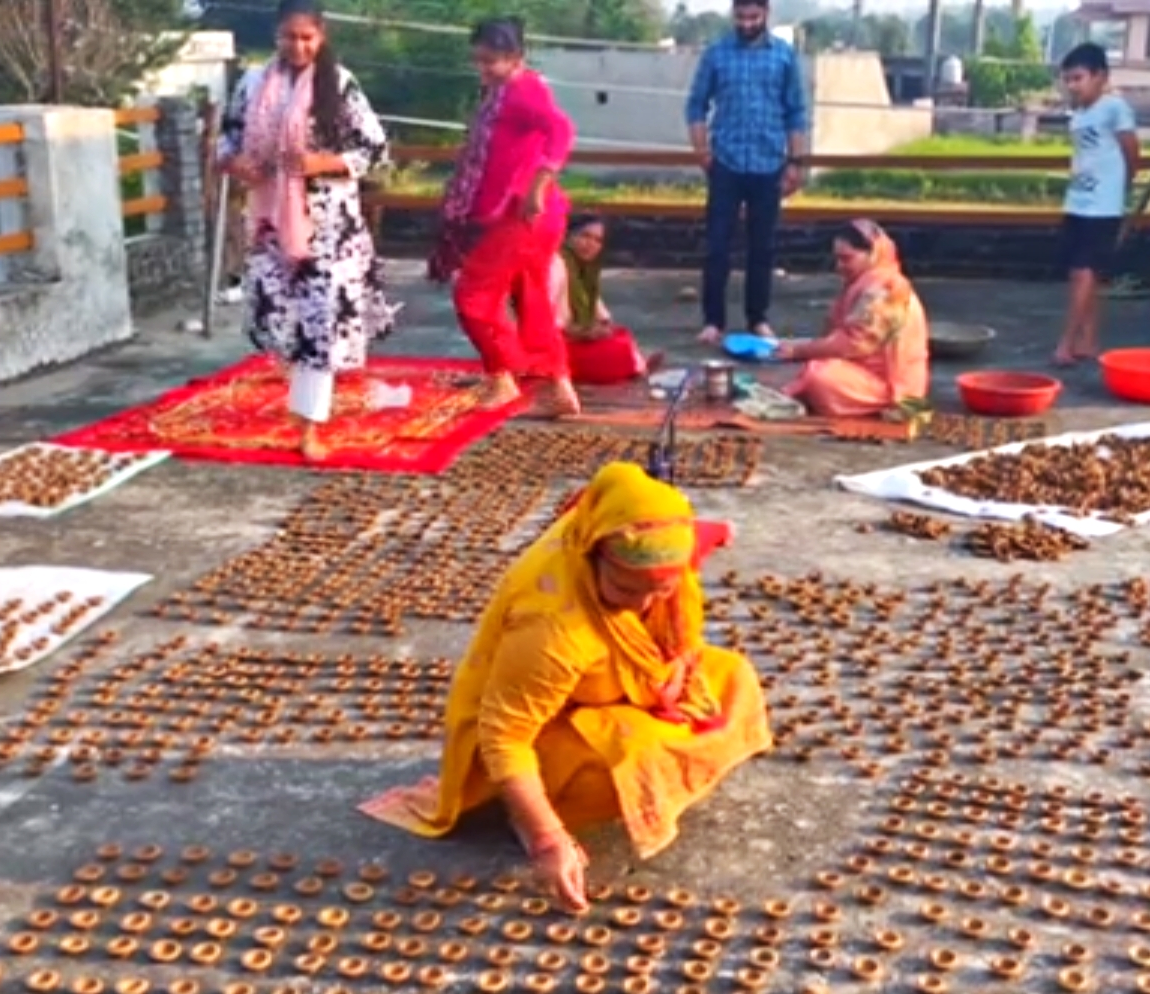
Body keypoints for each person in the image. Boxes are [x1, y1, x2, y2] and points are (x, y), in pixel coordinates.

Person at [360, 462, 772, 910]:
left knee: (734, 677)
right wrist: (547, 839)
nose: (642, 604)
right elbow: (503, 736)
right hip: (543, 729)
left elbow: (678, 565)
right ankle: (532, 807)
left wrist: (680, 657)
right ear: (592, 554)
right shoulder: (553, 628)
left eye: (662, 591)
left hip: (616, 684)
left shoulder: (647, 541)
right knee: (637, 758)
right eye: (624, 589)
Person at [217, 0, 396, 461]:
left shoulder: (338, 84)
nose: (298, 46)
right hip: (272, 220)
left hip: (329, 226)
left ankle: (309, 426)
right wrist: (235, 160)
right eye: (288, 36)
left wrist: (324, 162)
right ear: (275, 35)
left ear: (322, 36)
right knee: (286, 321)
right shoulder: (253, 83)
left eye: (307, 37)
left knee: (320, 325)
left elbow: (374, 148)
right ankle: (303, 404)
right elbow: (228, 136)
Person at [428, 17, 580, 417]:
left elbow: (561, 131)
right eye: (478, 61)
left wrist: (538, 185)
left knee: (474, 295)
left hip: (522, 213)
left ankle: (502, 377)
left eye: (491, 61)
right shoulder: (503, 91)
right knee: (532, 300)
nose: (483, 69)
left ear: (516, 58)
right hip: (530, 215)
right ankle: (559, 384)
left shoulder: (522, 91)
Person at [685, 0, 808, 347]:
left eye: (753, 17)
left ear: (766, 14)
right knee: (717, 245)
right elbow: (696, 104)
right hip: (726, 161)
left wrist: (796, 161)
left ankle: (758, 318)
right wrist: (701, 150)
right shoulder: (717, 54)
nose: (746, 23)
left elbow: (796, 111)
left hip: (769, 162)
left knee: (762, 247)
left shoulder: (783, 55)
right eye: (741, 17)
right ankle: (713, 321)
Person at [774, 220, 929, 418]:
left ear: (871, 254)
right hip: (864, 370)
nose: (839, 267)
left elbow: (855, 343)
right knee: (809, 369)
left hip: (892, 385)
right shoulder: (868, 282)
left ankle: (889, 406)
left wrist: (800, 351)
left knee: (818, 376)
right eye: (837, 259)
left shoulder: (883, 290)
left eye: (846, 259)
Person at [1054, 41, 1139, 366]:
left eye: (1079, 78)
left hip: (1102, 205)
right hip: (1078, 200)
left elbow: (1132, 150)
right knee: (1083, 275)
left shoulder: (1114, 108)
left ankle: (1067, 341)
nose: (1073, 86)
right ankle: (1089, 340)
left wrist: (1122, 188)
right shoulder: (1079, 115)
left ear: (1100, 76)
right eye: (1069, 80)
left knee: (1083, 272)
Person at [548, 215, 662, 385]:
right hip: (553, 343)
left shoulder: (586, 271)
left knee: (621, 336)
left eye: (597, 240)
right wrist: (574, 332)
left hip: (576, 337)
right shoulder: (555, 264)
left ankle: (635, 365)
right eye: (585, 236)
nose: (591, 244)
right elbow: (541, 315)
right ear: (568, 235)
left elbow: (601, 314)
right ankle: (635, 367)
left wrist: (599, 329)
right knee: (615, 352)